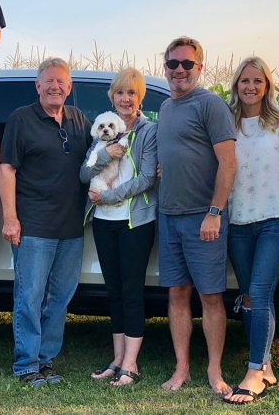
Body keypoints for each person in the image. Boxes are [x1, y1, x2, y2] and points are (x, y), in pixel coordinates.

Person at [0, 57, 92, 387]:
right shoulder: (21, 119)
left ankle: (45, 360)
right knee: (29, 297)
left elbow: (97, 160)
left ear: (69, 87)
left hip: (70, 228)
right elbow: (6, 169)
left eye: (61, 82)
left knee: (59, 299)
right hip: (33, 225)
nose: (55, 86)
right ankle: (26, 365)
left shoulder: (79, 119)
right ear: (37, 86)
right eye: (49, 81)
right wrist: (10, 218)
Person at [156, 36, 237, 395]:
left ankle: (214, 371)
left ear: (199, 68)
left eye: (187, 64)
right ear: (165, 68)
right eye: (173, 64)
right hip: (168, 216)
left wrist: (214, 213)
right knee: (176, 294)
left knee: (210, 297)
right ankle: (181, 368)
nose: (179, 70)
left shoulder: (211, 105)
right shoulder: (165, 107)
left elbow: (228, 163)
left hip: (202, 218)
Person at [222, 57, 279, 404]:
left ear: (267, 85)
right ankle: (265, 365)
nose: (250, 87)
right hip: (239, 220)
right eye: (244, 81)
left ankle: (253, 372)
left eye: (257, 81)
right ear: (236, 85)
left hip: (277, 217)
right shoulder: (227, 122)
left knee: (261, 290)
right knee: (250, 297)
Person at [79, 68, 158, 386]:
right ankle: (116, 358)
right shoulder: (101, 131)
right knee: (113, 291)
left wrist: (109, 195)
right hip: (103, 222)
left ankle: (131, 363)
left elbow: (147, 178)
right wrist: (103, 156)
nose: (126, 98)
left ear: (140, 98)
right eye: (120, 93)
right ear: (112, 97)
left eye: (132, 93)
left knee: (131, 291)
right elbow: (84, 175)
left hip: (134, 221)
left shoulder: (148, 131)